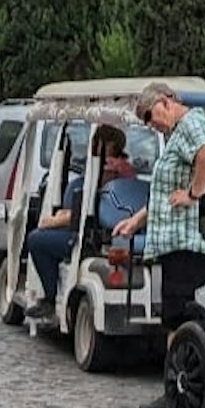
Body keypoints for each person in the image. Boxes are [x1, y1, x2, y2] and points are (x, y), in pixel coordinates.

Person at [113, 85, 205, 408]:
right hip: (178, 240)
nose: (153, 125)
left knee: (181, 316)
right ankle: (176, 385)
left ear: (165, 102)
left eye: (152, 117)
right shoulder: (179, 133)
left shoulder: (193, 124)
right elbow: (167, 192)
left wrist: (194, 193)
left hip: (191, 241)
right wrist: (137, 221)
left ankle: (182, 386)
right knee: (173, 316)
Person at [24, 125, 136, 323]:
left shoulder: (106, 170)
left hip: (90, 232)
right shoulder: (129, 171)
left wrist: (52, 220)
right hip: (106, 225)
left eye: (96, 143)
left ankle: (49, 298)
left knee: (36, 240)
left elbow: (83, 209)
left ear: (103, 145)